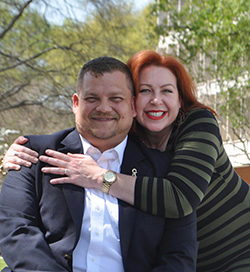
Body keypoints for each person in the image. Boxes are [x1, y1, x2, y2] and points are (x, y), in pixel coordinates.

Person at [3, 49, 250, 271]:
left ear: (180, 98)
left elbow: (181, 197)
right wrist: (25, 150)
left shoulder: (198, 124)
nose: (156, 100)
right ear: (134, 102)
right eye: (145, 90)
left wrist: (99, 177)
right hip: (198, 261)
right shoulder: (128, 136)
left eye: (167, 90)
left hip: (239, 250)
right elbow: (97, 120)